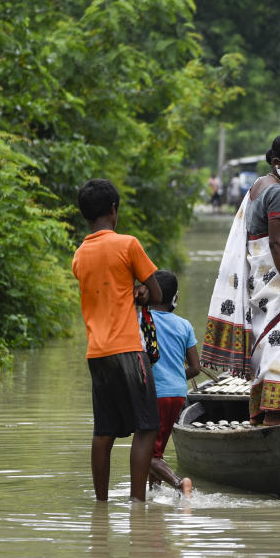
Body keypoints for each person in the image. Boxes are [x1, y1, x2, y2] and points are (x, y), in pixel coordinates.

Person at [201, 134, 280, 425]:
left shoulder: (260, 185)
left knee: (269, 346)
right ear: (277, 162)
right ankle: (276, 420)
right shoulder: (279, 194)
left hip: (263, 286)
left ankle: (262, 418)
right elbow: (276, 243)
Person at [72, 178, 163, 502]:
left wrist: (131, 291)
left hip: (96, 353)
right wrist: (141, 292)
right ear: (113, 209)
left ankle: (101, 503)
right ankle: (137, 504)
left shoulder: (80, 255)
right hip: (128, 349)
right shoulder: (127, 244)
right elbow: (157, 292)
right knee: (147, 427)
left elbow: (109, 290)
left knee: (104, 430)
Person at [147, 269, 197, 497]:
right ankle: (154, 493)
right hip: (177, 394)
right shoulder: (184, 325)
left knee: (145, 453)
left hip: (152, 394)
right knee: (156, 449)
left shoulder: (140, 321)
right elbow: (195, 368)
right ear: (175, 298)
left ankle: (180, 484)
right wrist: (175, 378)